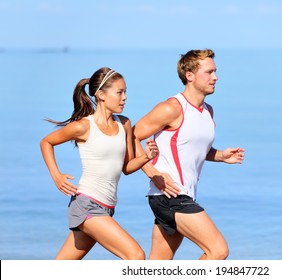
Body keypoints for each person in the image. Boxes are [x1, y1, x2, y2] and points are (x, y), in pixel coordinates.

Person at [133, 49, 245, 260]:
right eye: (209, 72)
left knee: (158, 266)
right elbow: (130, 136)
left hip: (181, 195)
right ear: (189, 75)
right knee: (218, 250)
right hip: (171, 196)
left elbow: (190, 147)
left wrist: (220, 156)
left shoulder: (207, 110)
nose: (216, 77)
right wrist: (152, 172)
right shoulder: (172, 108)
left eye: (215, 71)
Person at [40, 67, 158, 260]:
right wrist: (56, 176)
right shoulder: (84, 126)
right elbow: (46, 142)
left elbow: (126, 168)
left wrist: (146, 157)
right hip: (87, 205)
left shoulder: (124, 124)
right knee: (135, 256)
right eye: (119, 92)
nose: (125, 97)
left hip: (107, 207)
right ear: (101, 94)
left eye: (125, 92)